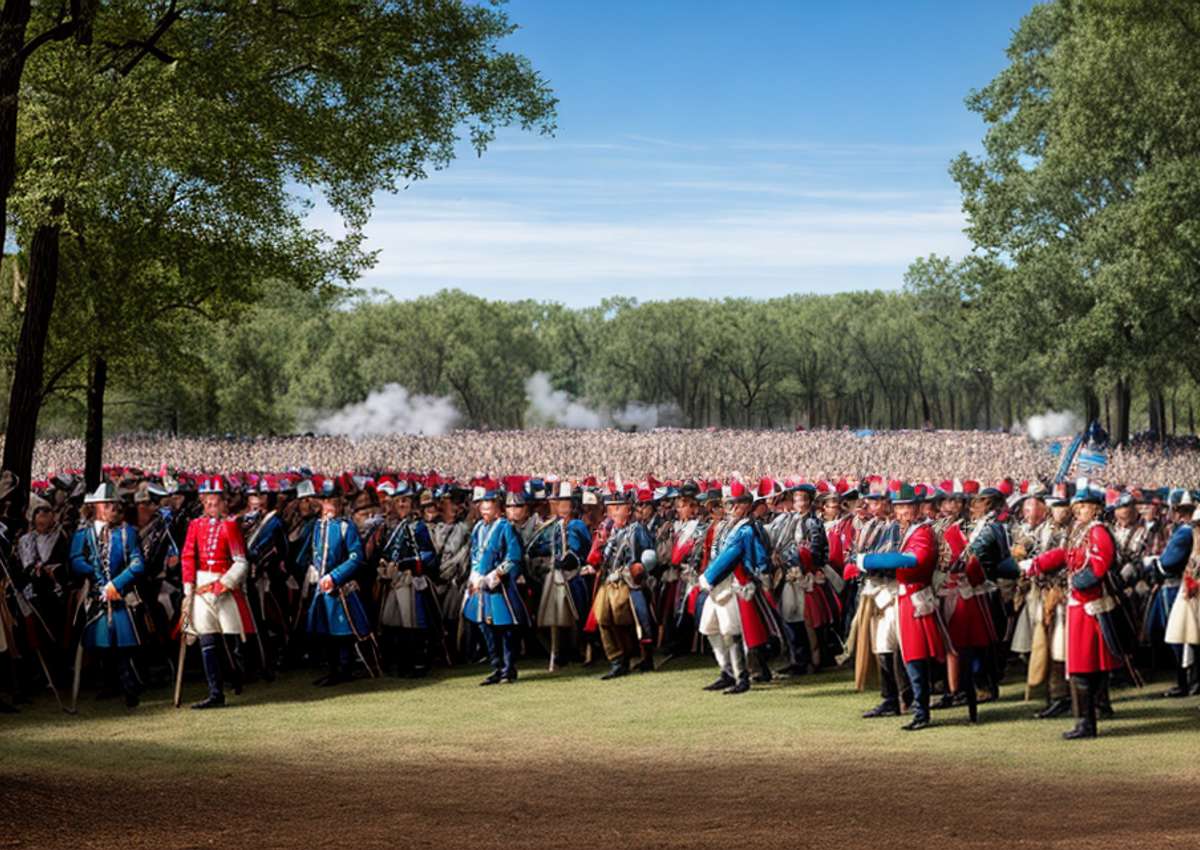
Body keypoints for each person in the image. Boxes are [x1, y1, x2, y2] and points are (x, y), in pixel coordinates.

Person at [1021, 480, 1123, 739]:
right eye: (1079, 506)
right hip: (1079, 606)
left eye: (1085, 506)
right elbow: (1063, 554)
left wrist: (1075, 582)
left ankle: (1086, 724)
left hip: (1089, 605)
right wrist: (1036, 564)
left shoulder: (1097, 531)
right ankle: (1087, 719)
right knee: (1083, 666)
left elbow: (1099, 565)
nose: (1080, 510)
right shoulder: (1079, 529)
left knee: (1083, 666)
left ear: (1097, 509)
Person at [854, 482, 946, 730]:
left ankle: (920, 709)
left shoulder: (922, 532)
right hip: (904, 597)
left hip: (914, 597)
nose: (902, 512)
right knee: (900, 652)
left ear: (916, 508)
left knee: (915, 657)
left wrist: (866, 561)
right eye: (899, 507)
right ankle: (907, 704)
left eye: (907, 507)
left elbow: (911, 559)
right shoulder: (908, 530)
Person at [69, 482, 146, 707]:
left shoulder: (127, 533)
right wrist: (97, 579)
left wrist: (115, 584)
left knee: (124, 642)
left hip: (120, 595)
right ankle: (107, 684)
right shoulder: (83, 534)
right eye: (108, 504)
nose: (113, 508)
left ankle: (130, 686)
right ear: (96, 507)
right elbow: (76, 560)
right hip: (95, 595)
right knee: (99, 642)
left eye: (115, 504)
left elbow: (137, 563)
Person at [179, 477, 254, 709]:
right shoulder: (195, 525)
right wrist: (189, 586)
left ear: (224, 503)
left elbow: (241, 562)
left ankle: (236, 675)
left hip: (224, 586)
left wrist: (224, 585)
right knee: (206, 638)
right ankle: (215, 692)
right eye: (208, 502)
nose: (212, 506)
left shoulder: (230, 526)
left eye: (216, 502)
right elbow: (188, 555)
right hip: (201, 585)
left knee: (230, 638)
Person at [698, 479, 772, 694]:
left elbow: (732, 555)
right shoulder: (725, 525)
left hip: (735, 583)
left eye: (736, 504)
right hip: (719, 583)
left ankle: (741, 677)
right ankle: (727, 671)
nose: (731, 509)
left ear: (746, 505)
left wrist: (708, 577)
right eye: (729, 504)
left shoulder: (746, 529)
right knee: (709, 627)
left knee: (731, 631)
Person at [300, 479, 370, 686]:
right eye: (326, 500)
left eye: (333, 500)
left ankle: (344, 669)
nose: (330, 504)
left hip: (339, 588)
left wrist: (335, 576)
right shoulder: (317, 527)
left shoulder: (345, 527)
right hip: (321, 585)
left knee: (342, 630)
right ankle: (332, 670)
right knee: (324, 630)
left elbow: (356, 557)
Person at [586, 486, 656, 680]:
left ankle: (644, 657)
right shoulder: (607, 531)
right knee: (602, 619)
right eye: (611, 507)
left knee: (637, 620)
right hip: (609, 581)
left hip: (629, 582)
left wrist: (640, 567)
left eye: (618, 507)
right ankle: (617, 660)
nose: (614, 511)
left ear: (628, 509)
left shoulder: (638, 529)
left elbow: (650, 555)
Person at [462, 484, 528, 685]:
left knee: (505, 628)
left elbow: (514, 557)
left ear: (498, 507)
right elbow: (474, 554)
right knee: (485, 627)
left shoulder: (506, 527)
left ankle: (509, 668)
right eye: (482, 505)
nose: (484, 509)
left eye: (488, 504)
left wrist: (495, 575)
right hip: (479, 586)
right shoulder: (478, 528)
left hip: (500, 586)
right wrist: (474, 576)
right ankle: (496, 666)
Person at [531, 481, 592, 670]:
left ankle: (584, 650)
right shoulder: (552, 527)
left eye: (566, 503)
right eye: (560, 503)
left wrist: (573, 558)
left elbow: (585, 548)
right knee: (554, 616)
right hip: (555, 574)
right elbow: (539, 545)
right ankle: (559, 653)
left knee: (578, 614)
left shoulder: (577, 525)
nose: (563, 507)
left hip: (573, 574)